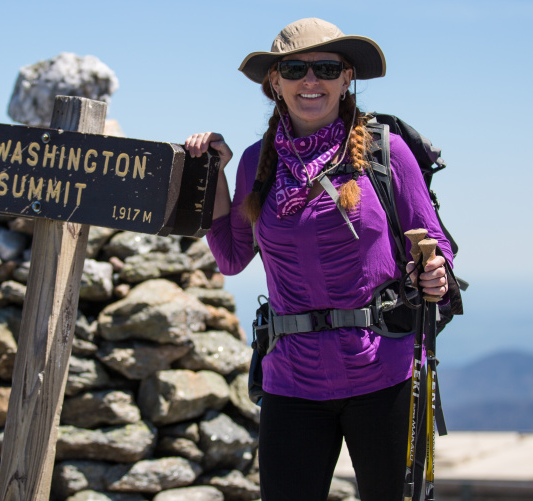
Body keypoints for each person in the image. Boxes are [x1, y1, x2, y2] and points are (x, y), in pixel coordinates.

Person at [185, 18, 451, 501]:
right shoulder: (254, 161)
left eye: (327, 68)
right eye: (295, 69)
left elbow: (434, 243)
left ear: (347, 78)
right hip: (292, 379)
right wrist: (215, 174)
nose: (311, 81)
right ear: (275, 82)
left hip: (383, 371)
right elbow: (230, 256)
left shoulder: (384, 153)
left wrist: (435, 273)